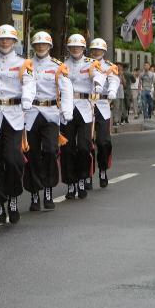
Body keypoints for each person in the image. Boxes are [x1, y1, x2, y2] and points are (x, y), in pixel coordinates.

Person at [0, 24, 35, 225]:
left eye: (8, 39)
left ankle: (12, 198)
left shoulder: (23, 63)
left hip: (14, 115)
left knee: (13, 159)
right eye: (1, 39)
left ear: (14, 42)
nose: (4, 42)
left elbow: (29, 83)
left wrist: (28, 99)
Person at [24, 31, 72, 211]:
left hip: (51, 113)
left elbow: (66, 89)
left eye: (44, 44)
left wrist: (66, 110)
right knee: (32, 154)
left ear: (50, 46)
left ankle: (49, 190)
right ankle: (35, 193)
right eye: (37, 44)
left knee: (51, 151)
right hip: (31, 112)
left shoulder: (58, 66)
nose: (40, 47)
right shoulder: (27, 64)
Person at [62, 34, 103, 200]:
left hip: (85, 107)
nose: (75, 49)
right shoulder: (62, 65)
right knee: (67, 148)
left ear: (83, 48)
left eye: (78, 47)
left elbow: (98, 75)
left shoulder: (91, 64)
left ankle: (82, 178)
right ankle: (71, 183)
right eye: (72, 47)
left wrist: (98, 83)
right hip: (67, 107)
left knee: (84, 147)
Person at [86, 38, 120, 188]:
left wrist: (112, 90)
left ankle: (103, 169)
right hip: (86, 104)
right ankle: (86, 174)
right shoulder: (84, 64)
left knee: (103, 141)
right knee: (85, 142)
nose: (96, 52)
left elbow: (114, 80)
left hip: (102, 105)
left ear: (104, 51)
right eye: (94, 49)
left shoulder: (109, 66)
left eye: (99, 50)